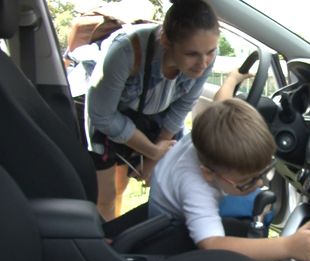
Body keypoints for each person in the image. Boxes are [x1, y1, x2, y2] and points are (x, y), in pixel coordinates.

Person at [148, 98, 310, 261]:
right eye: (246, 181)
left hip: (175, 197)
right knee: (261, 208)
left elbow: (222, 103)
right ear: (209, 174)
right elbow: (211, 244)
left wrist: (233, 79)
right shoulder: (196, 187)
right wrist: (287, 246)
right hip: (172, 232)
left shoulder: (208, 135)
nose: (260, 183)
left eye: (265, 172)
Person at [85, 0, 219, 221]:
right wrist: (151, 150)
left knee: (138, 185)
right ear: (166, 40)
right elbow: (102, 115)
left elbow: (182, 107)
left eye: (210, 52)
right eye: (191, 54)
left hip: (153, 120)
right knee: (106, 195)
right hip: (111, 119)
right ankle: (106, 243)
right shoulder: (126, 51)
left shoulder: (205, 58)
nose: (203, 63)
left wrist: (154, 157)